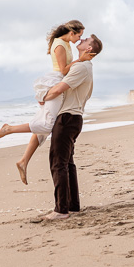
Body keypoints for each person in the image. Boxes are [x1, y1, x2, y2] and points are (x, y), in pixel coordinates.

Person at [0, 20, 85, 184]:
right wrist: (81, 59)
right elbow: (63, 70)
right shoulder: (60, 45)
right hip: (55, 83)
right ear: (71, 32)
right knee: (47, 126)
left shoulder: (65, 43)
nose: (79, 39)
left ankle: (24, 161)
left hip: (58, 83)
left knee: (42, 125)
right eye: (79, 35)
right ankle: (9, 129)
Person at [40, 34, 102, 221]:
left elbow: (59, 88)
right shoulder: (87, 67)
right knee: (68, 163)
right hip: (74, 118)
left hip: (67, 119)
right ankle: (72, 206)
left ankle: (61, 210)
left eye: (85, 41)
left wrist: (42, 97)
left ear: (89, 49)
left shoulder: (81, 67)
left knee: (58, 163)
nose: (80, 41)